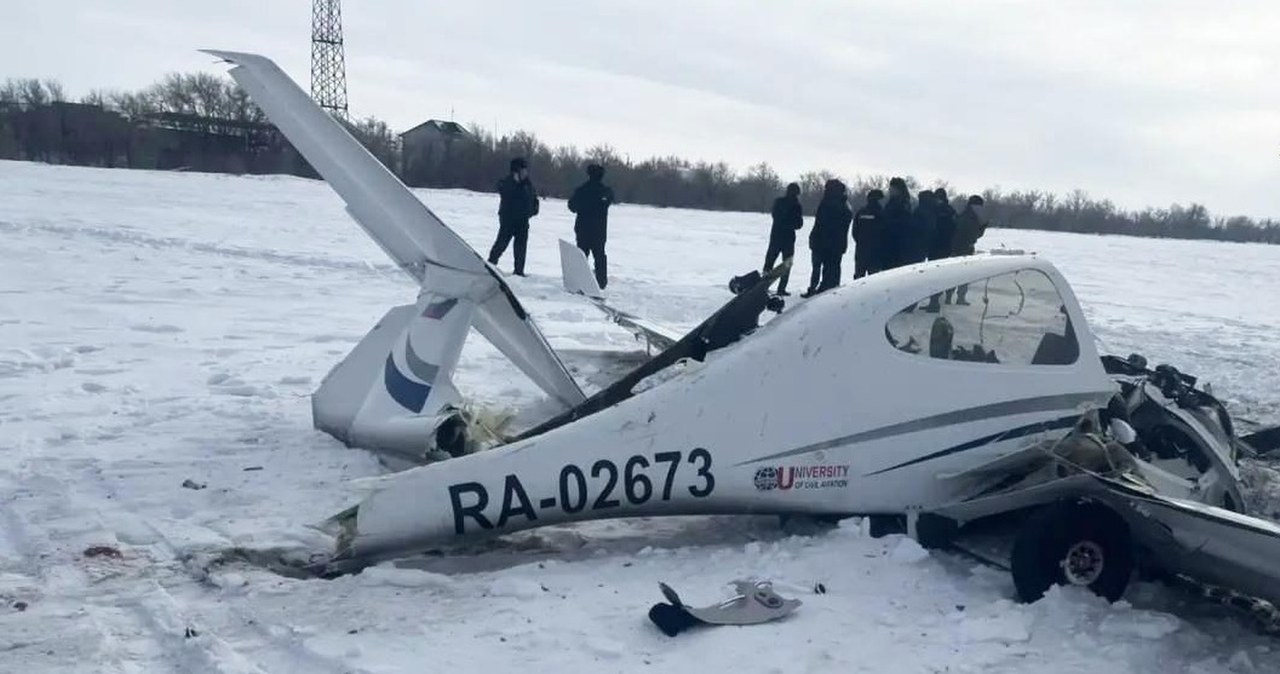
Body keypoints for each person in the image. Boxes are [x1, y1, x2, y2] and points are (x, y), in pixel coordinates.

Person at [487, 157, 540, 276]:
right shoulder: (507, 183)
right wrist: (515, 183)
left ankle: (519, 271)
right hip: (509, 220)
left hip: (523, 220)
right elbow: (503, 190)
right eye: (523, 170)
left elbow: (533, 198)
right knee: (501, 244)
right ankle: (490, 265)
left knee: (521, 248)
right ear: (516, 171)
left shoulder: (528, 184)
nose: (526, 172)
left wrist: (533, 210)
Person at [567, 163, 616, 289]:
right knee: (599, 256)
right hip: (599, 231)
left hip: (582, 229)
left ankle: (578, 282)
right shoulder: (606, 191)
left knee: (582, 256)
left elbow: (571, 206)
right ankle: (601, 282)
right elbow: (610, 199)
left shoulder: (581, 190)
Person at [802, 179, 853, 297]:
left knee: (826, 268)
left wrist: (815, 238)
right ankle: (829, 289)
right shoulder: (844, 205)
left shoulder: (828, 204)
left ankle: (824, 290)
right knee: (832, 268)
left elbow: (821, 224)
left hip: (826, 243)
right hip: (835, 243)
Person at [948, 195, 990, 305]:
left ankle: (953, 297)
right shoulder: (970, 217)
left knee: (958, 275)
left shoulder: (967, 215)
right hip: (962, 248)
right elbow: (970, 234)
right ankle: (957, 297)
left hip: (962, 248)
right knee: (962, 275)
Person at [763, 182, 803, 295]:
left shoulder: (780, 202)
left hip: (777, 236)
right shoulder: (796, 206)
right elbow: (798, 224)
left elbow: (777, 217)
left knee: (771, 263)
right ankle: (780, 289)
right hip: (787, 238)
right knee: (785, 264)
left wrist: (786, 222)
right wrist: (790, 223)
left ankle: (763, 287)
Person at [925, 187, 958, 311]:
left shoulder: (936, 210)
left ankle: (934, 302)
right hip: (944, 247)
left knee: (936, 276)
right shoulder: (950, 211)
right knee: (940, 275)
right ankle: (936, 300)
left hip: (937, 247)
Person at [880, 177, 913, 271]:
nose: (890, 190)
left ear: (898, 190)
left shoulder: (904, 204)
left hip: (898, 247)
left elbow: (904, 225)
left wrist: (888, 225)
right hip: (888, 245)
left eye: (892, 189)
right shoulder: (890, 203)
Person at [851, 188, 884, 278]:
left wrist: (861, 242)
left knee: (858, 279)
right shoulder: (881, 213)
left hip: (861, 251)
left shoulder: (861, 212)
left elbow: (855, 232)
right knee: (873, 281)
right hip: (875, 253)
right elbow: (884, 232)